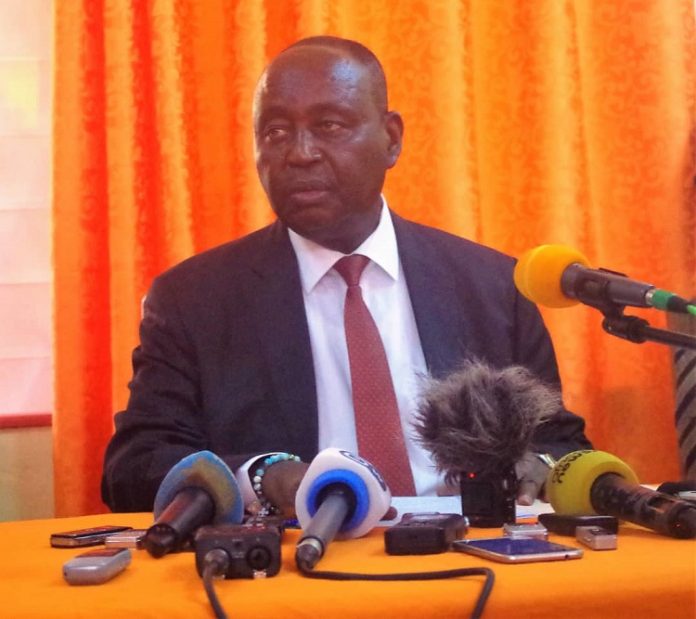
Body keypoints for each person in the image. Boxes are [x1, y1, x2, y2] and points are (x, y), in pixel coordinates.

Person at [101, 35, 591, 516]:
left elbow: (558, 442)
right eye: (274, 132)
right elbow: (135, 466)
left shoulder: (494, 286)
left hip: (474, 557)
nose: (300, 153)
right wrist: (261, 476)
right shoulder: (195, 300)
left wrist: (539, 465)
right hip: (295, 573)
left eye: (329, 125)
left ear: (391, 139)